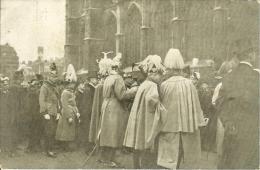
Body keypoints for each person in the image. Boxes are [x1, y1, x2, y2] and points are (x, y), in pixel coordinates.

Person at [155, 48, 208, 169]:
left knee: (168, 162)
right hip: (186, 128)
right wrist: (200, 122)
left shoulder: (164, 85)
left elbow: (160, 107)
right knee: (184, 159)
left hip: (169, 127)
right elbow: (196, 106)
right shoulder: (189, 84)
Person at [217, 39, 259, 169]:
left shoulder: (228, 77)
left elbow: (220, 104)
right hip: (252, 135)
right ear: (251, 54)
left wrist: (228, 123)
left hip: (232, 133)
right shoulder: (257, 78)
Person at [123, 55, 165, 169]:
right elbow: (153, 103)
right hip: (147, 119)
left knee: (138, 143)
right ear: (154, 74)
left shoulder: (144, 84)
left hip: (140, 117)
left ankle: (137, 166)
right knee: (146, 144)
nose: (160, 78)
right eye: (159, 76)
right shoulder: (152, 86)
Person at [98, 53, 137, 167]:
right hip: (115, 107)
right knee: (114, 133)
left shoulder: (108, 78)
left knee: (106, 132)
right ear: (118, 67)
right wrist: (134, 90)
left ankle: (103, 157)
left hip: (106, 105)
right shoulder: (118, 78)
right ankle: (112, 159)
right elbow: (121, 95)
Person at [56, 64, 80, 151]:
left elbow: (74, 104)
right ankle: (64, 146)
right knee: (65, 131)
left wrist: (77, 112)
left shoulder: (71, 92)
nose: (73, 86)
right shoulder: (65, 93)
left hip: (72, 112)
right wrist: (69, 116)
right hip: (67, 113)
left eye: (73, 84)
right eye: (72, 84)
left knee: (69, 131)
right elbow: (65, 105)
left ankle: (67, 146)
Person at [39, 63, 61, 158]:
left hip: (54, 112)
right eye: (52, 75)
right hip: (48, 112)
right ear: (49, 76)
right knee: (48, 132)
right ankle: (48, 150)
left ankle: (50, 149)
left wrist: (59, 112)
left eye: (55, 75)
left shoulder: (55, 87)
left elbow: (57, 100)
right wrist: (44, 112)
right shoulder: (45, 86)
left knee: (53, 131)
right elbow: (41, 100)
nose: (54, 77)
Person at [76, 70, 96, 152]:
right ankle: (88, 149)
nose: (96, 80)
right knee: (87, 130)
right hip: (87, 112)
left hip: (88, 112)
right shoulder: (89, 89)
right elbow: (87, 103)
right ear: (91, 79)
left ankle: (89, 147)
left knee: (88, 130)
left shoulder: (90, 88)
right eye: (95, 79)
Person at [26, 79, 43, 152]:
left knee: (37, 130)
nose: (38, 86)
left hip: (37, 114)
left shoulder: (36, 92)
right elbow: (29, 105)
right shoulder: (32, 93)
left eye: (38, 84)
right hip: (33, 115)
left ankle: (35, 146)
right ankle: (30, 147)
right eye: (36, 84)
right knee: (33, 131)